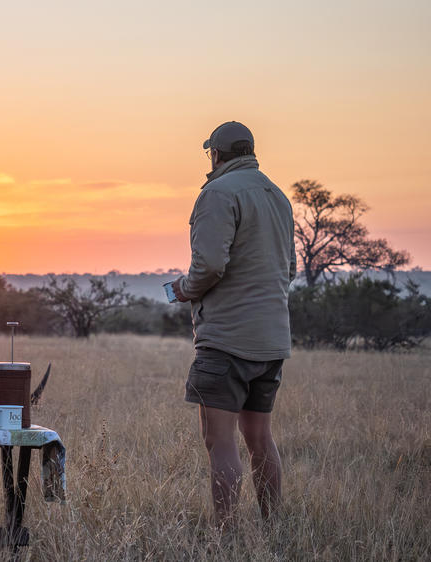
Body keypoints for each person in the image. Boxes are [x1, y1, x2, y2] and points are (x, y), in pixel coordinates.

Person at [171, 122, 295, 527]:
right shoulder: (277, 195)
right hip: (272, 340)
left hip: (225, 341)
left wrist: (185, 289)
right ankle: (273, 527)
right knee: (261, 439)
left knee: (219, 441)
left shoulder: (217, 193)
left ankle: (225, 535)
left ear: (216, 155)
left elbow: (208, 266)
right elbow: (289, 268)